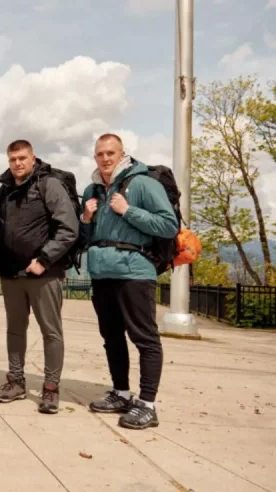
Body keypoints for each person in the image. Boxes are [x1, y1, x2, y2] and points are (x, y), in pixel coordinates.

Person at [80, 133, 178, 430]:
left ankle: (147, 404)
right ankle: (121, 393)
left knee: (145, 338)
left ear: (122, 154)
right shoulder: (92, 190)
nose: (105, 159)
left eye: (111, 153)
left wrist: (128, 210)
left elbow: (168, 225)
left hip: (135, 272)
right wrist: (86, 219)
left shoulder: (143, 184)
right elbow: (87, 239)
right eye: (100, 154)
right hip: (102, 274)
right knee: (111, 337)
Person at [0, 140, 79, 414]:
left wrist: (44, 259)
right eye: (12, 159)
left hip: (44, 273)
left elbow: (69, 228)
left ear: (33, 158)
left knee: (51, 332)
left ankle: (51, 388)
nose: (17, 163)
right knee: (15, 330)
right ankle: (16, 381)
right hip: (11, 274)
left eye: (22, 158)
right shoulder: (5, 190)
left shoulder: (48, 184)